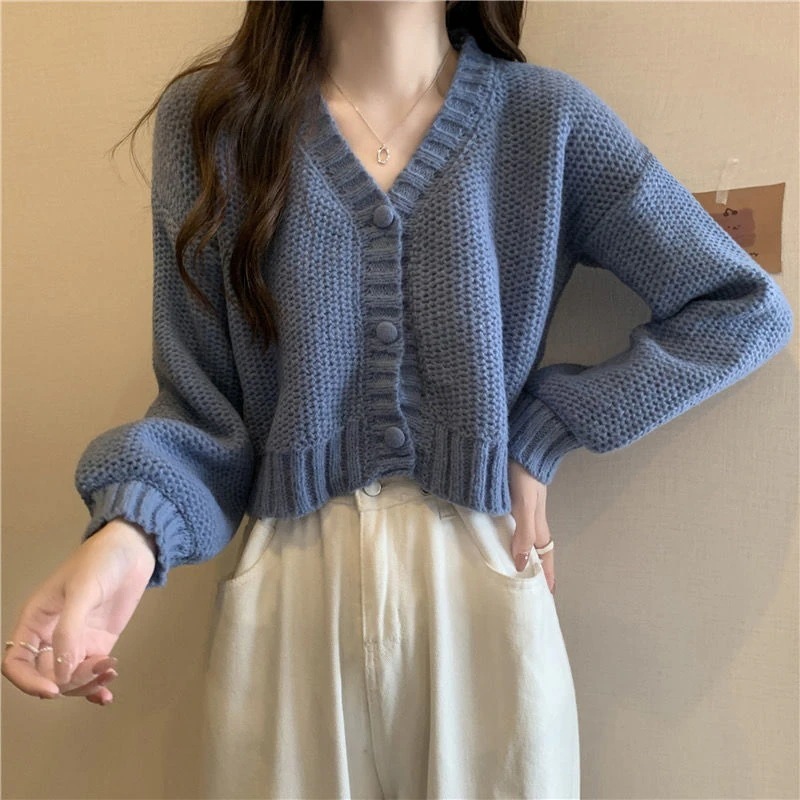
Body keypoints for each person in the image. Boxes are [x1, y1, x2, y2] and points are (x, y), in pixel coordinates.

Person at [2, 1, 794, 798]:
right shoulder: (216, 124)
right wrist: (131, 535)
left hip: (480, 584)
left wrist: (543, 433)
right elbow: (203, 407)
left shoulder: (545, 121)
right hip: (289, 597)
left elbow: (739, 308)